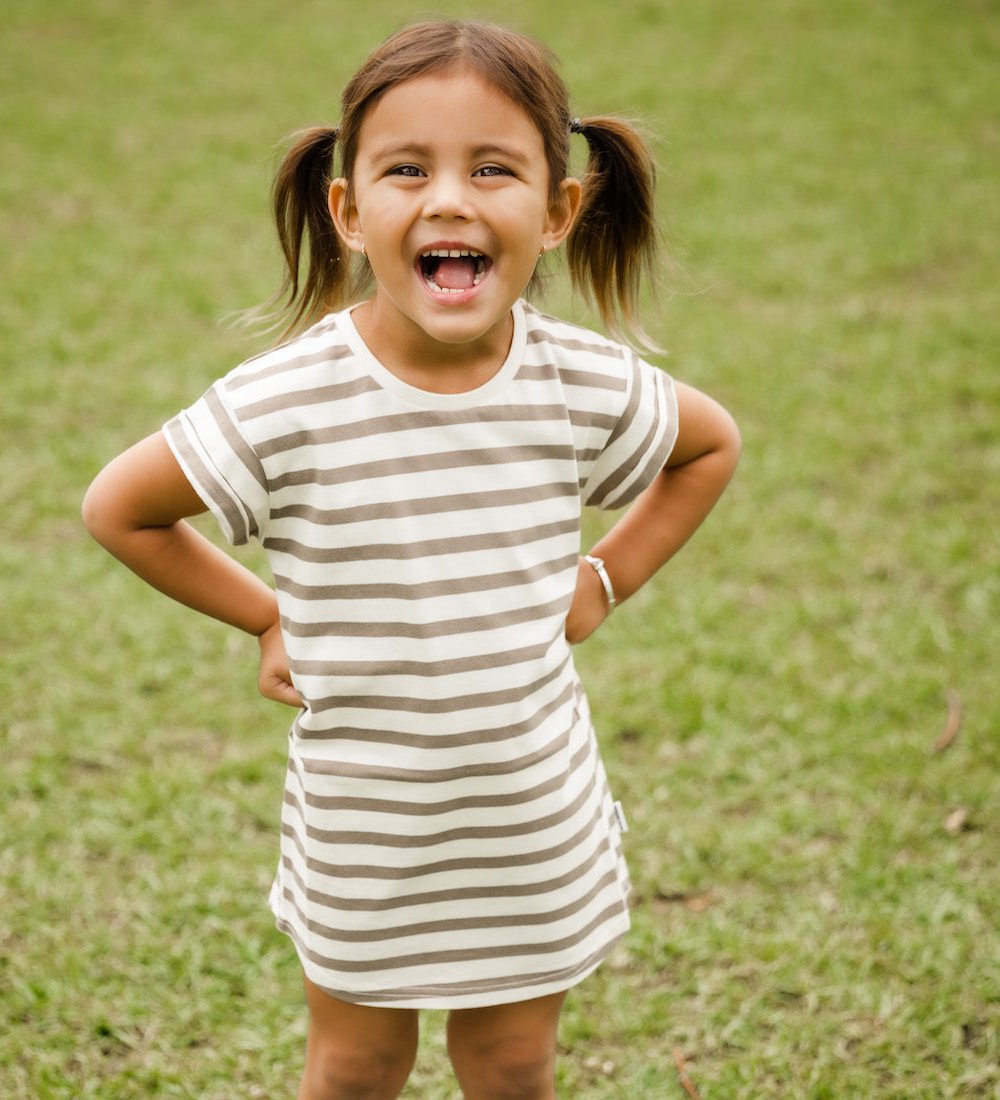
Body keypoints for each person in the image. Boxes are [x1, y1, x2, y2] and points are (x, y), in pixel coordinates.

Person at [82, 18, 740, 1100]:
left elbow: (707, 446)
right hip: (366, 828)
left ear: (559, 209)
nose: (448, 199)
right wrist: (261, 615)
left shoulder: (577, 382)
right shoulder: (289, 400)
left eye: (492, 168)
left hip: (529, 819)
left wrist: (602, 577)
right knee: (351, 1067)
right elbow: (122, 509)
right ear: (348, 212)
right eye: (405, 169)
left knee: (512, 1062)